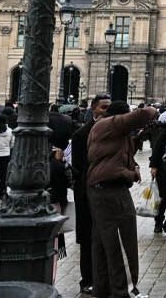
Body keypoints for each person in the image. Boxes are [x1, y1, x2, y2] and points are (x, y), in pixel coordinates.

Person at [87, 100, 158, 298]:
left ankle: (103, 289)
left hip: (101, 189)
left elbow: (117, 156)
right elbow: (146, 113)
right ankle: (125, 291)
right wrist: (130, 174)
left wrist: (132, 167)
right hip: (112, 191)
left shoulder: (106, 129)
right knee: (122, 241)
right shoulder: (110, 124)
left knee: (103, 243)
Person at [71, 94, 110, 296]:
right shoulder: (81, 134)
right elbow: (78, 167)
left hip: (105, 194)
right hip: (87, 193)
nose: (106, 111)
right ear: (93, 109)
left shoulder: (114, 132)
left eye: (108, 108)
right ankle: (87, 279)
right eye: (103, 108)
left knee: (105, 237)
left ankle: (103, 278)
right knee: (87, 239)